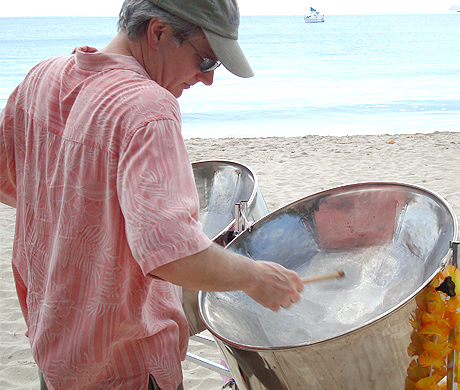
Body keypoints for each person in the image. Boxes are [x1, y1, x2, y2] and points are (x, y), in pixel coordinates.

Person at [0, 0, 304, 389]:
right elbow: (173, 254)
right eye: (207, 60)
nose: (208, 79)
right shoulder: (149, 110)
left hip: (57, 356)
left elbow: (12, 183)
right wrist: (255, 276)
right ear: (158, 32)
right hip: (127, 367)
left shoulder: (41, 79)